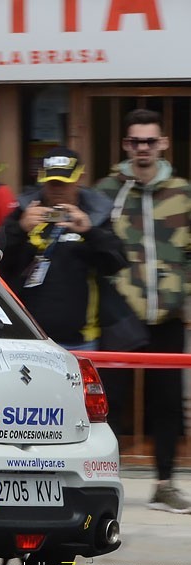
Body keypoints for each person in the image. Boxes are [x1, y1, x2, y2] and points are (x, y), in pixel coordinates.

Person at [95, 108, 191, 514]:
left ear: (163, 143)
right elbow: (93, 250)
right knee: (109, 401)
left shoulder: (182, 192)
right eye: (136, 142)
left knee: (166, 402)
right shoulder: (105, 191)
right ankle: (105, 485)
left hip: (168, 314)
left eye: (150, 141)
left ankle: (165, 485)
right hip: (122, 315)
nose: (143, 149)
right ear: (125, 145)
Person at [0, 147, 127, 351]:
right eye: (51, 182)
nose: (57, 188)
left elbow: (116, 262)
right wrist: (19, 229)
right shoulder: (25, 211)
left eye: (64, 182)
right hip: (27, 337)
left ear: (79, 178)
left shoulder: (95, 213)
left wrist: (90, 232)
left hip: (80, 339)